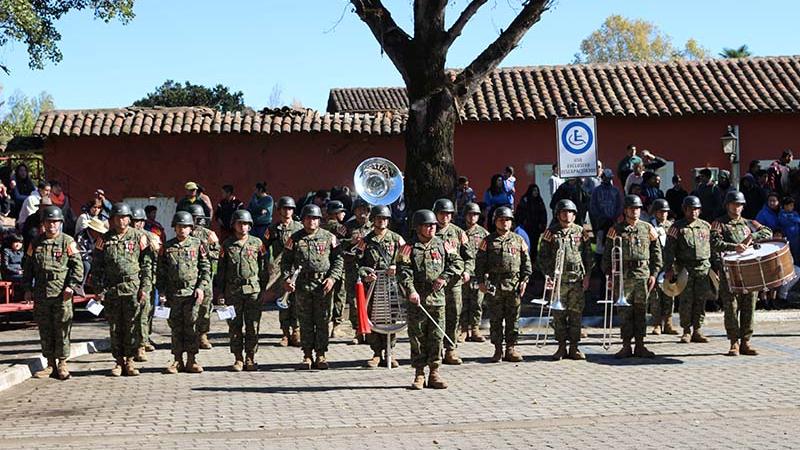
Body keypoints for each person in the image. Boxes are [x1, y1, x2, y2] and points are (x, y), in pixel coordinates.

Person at [396, 209, 463, 389]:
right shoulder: (408, 248)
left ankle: (434, 372)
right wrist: (410, 290)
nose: (431, 228)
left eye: (433, 225)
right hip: (416, 300)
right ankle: (419, 373)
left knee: (436, 337)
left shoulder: (444, 245)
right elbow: (403, 272)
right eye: (427, 225)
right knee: (417, 337)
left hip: (437, 299)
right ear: (418, 227)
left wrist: (444, 277)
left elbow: (458, 263)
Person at [91, 203, 154, 376]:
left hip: (133, 287)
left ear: (130, 219)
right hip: (112, 289)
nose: (122, 220)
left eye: (125, 217)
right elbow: (96, 266)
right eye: (118, 217)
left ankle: (130, 361)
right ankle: (118, 362)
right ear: (112, 219)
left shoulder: (139, 237)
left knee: (132, 326)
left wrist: (145, 287)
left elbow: (147, 265)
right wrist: (98, 289)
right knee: (115, 327)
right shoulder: (104, 239)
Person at [22, 206, 83, 380]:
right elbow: (28, 267)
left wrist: (71, 286)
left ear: (60, 223)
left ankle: (63, 363)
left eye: (55, 222)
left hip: (62, 294)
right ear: (43, 224)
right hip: (41, 294)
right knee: (45, 329)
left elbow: (77, 267)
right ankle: (50, 364)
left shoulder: (67, 242)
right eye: (49, 222)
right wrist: (27, 288)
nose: (52, 225)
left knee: (62, 329)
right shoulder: (35, 242)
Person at [282, 204, 343, 370]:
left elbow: (338, 260)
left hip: (323, 285)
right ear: (303, 220)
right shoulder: (294, 239)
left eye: (315, 218)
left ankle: (321, 354)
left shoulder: (329, 237)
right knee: (306, 320)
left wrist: (332, 278)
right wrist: (288, 278)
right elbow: (286, 261)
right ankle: (307, 354)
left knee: (323, 320)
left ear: (319, 220)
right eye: (308, 218)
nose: (312, 221)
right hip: (302, 285)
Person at [711, 191, 773, 356]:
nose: (737, 207)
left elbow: (768, 232)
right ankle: (734, 342)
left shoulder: (749, 223)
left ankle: (746, 341)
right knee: (731, 307)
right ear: (727, 205)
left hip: (749, 270)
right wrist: (734, 247)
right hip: (730, 271)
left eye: (739, 205)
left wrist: (752, 236)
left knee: (749, 306)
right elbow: (714, 242)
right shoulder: (719, 223)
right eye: (734, 204)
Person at [602, 195, 662, 358]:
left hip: (643, 274)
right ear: (625, 210)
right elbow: (607, 254)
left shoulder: (648, 228)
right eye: (631, 208)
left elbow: (657, 252)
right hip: (623, 276)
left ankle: (640, 345)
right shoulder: (616, 229)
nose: (634, 211)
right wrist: (609, 274)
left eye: (637, 208)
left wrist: (654, 274)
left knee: (641, 311)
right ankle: (626, 345)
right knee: (625, 312)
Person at [475, 206, 532, 363]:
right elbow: (479, 263)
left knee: (513, 318)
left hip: (513, 285)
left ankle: (511, 348)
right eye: (501, 220)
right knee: (496, 319)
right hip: (495, 285)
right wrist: (480, 281)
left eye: (507, 220)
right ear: (495, 222)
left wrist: (525, 280)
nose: (504, 223)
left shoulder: (518, 240)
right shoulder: (487, 241)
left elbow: (526, 263)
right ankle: (498, 349)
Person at [538, 199, 593, 361]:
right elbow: (542, 257)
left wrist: (588, 276)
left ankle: (574, 347)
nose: (567, 215)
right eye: (564, 212)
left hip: (577, 279)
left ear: (574, 215)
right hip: (558, 279)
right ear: (558, 215)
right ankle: (561, 346)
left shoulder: (581, 232)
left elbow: (588, 256)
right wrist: (549, 275)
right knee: (559, 314)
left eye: (570, 212)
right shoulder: (551, 233)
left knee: (576, 314)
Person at [158, 211, 211, 374]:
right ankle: (177, 360)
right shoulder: (167, 247)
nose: (182, 230)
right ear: (175, 228)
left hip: (192, 294)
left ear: (191, 228)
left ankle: (192, 360)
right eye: (179, 226)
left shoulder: (198, 244)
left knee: (191, 327)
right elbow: (160, 271)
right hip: (173, 294)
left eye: (186, 227)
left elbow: (205, 268)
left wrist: (201, 287)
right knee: (176, 328)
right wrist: (161, 292)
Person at [216, 210, 267, 372]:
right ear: (234, 225)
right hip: (233, 291)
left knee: (253, 325)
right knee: (234, 326)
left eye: (245, 224)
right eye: (239, 223)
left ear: (250, 226)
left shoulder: (257, 243)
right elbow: (221, 270)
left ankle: (250, 357)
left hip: (253, 291)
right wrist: (221, 293)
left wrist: (263, 289)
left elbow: (264, 268)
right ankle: (238, 358)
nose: (243, 227)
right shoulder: (227, 244)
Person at [357, 205, 406, 368]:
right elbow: (357, 263)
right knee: (373, 317)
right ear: (374, 220)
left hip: (391, 285)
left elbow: (407, 260)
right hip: (373, 285)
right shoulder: (366, 241)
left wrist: (396, 268)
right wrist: (366, 276)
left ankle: (389, 353)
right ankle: (376, 353)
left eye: (384, 218)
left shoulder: (397, 239)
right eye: (379, 218)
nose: (382, 221)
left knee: (390, 318)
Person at [663, 196, 714, 344]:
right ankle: (686, 330)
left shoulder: (706, 226)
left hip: (703, 268)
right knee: (686, 301)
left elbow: (713, 247)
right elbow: (669, 251)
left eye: (696, 209)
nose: (693, 212)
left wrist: (715, 267)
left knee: (700, 300)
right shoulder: (676, 228)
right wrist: (670, 268)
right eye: (690, 209)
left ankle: (697, 329)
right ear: (685, 210)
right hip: (685, 269)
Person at [433, 198, 474, 365]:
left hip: (454, 282)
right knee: (436, 316)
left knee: (454, 314)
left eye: (448, 214)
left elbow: (469, 256)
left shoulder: (459, 233)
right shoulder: (429, 230)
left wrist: (467, 271)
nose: (445, 217)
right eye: (442, 214)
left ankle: (450, 349)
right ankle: (436, 350)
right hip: (435, 282)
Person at [264, 196, 303, 347]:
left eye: (290, 209)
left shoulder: (300, 227)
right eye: (284, 208)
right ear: (279, 210)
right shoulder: (273, 229)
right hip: (282, 271)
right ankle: (285, 333)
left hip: (298, 269)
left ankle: (297, 331)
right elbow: (263, 248)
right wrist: (267, 264)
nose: (287, 211)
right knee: (283, 300)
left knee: (298, 301)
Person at [183, 203, 220, 350]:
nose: (193, 220)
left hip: (205, 276)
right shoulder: (183, 232)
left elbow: (217, 253)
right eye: (191, 217)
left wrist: (205, 255)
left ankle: (203, 335)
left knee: (205, 306)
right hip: (189, 276)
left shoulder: (209, 234)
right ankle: (189, 335)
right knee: (189, 306)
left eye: (196, 218)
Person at [130, 207, 161, 362]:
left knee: (146, 311)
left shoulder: (150, 236)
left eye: (140, 221)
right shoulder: (126, 237)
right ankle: (137, 343)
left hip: (148, 279)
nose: (138, 224)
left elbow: (158, 256)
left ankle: (144, 340)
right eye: (135, 221)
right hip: (131, 281)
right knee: (135, 314)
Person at [459, 203, 489, 343]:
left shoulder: (484, 234)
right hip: (463, 273)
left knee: (477, 302)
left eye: (475, 214)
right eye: (470, 214)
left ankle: (475, 329)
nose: (472, 217)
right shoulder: (459, 231)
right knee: (463, 302)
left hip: (478, 274)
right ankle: (464, 329)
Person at [343, 198, 372, 343]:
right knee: (354, 301)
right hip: (352, 268)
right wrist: (351, 242)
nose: (362, 213)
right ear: (354, 211)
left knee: (371, 300)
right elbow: (337, 245)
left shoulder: (374, 226)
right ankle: (358, 331)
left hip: (369, 269)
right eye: (359, 209)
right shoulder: (347, 227)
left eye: (365, 210)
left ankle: (371, 331)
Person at [648, 199, 678, 335]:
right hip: (654, 264)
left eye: (666, 212)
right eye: (661, 212)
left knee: (669, 294)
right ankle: (656, 323)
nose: (664, 214)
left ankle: (668, 323)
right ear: (655, 212)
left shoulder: (671, 226)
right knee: (655, 296)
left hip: (668, 264)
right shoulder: (649, 226)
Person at [322, 200, 349, 338]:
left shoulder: (321, 226)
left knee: (326, 296)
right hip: (338, 265)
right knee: (339, 295)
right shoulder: (340, 228)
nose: (343, 214)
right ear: (335, 213)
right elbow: (344, 244)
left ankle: (326, 324)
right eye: (341, 212)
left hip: (325, 265)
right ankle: (336, 325)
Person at [589, 169, 622, 259]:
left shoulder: (616, 190)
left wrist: (614, 216)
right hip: (601, 223)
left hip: (613, 222)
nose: (607, 180)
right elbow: (593, 206)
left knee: (614, 243)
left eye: (609, 178)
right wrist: (600, 217)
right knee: (600, 247)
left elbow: (619, 205)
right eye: (605, 178)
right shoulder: (596, 191)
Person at [515, 184, 547, 264]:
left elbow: (543, 214)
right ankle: (526, 260)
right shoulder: (525, 200)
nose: (535, 192)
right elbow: (519, 212)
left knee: (535, 244)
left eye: (537, 191)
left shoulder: (539, 201)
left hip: (536, 227)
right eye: (534, 190)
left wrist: (542, 225)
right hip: (526, 227)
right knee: (526, 243)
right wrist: (521, 222)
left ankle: (533, 261)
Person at [779, 197, 800, 261]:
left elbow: (798, 220)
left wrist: (790, 218)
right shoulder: (781, 214)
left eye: (793, 205)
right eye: (790, 205)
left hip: (797, 236)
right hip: (790, 238)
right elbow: (784, 222)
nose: (792, 207)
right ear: (785, 206)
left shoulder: (795, 213)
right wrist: (793, 219)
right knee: (794, 253)